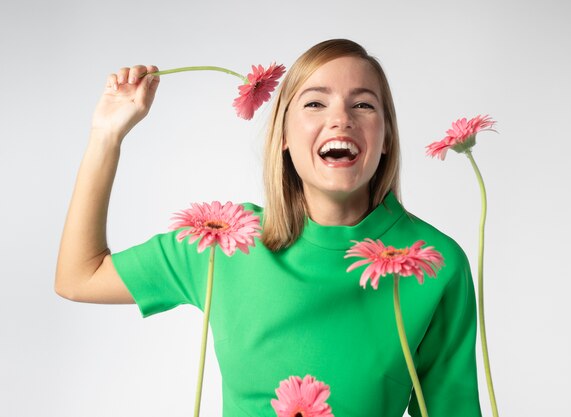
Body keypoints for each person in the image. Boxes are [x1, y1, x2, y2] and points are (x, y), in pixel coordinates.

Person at [55, 39, 482, 417]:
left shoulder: (437, 264)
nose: (341, 119)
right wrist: (106, 136)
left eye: (364, 105)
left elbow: (453, 409)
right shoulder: (224, 240)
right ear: (282, 134)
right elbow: (79, 277)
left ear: (386, 136)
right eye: (315, 103)